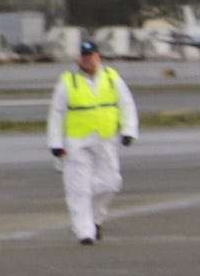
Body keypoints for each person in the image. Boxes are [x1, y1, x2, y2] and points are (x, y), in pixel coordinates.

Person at [48, 38, 139, 245]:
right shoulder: (68, 81)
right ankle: (85, 232)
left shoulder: (111, 77)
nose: (88, 60)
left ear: (98, 57)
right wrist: (56, 143)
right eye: (84, 56)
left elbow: (126, 103)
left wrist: (129, 130)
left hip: (106, 139)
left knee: (111, 183)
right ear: (79, 58)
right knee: (78, 188)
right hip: (77, 142)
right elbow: (56, 113)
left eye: (91, 56)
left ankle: (95, 220)